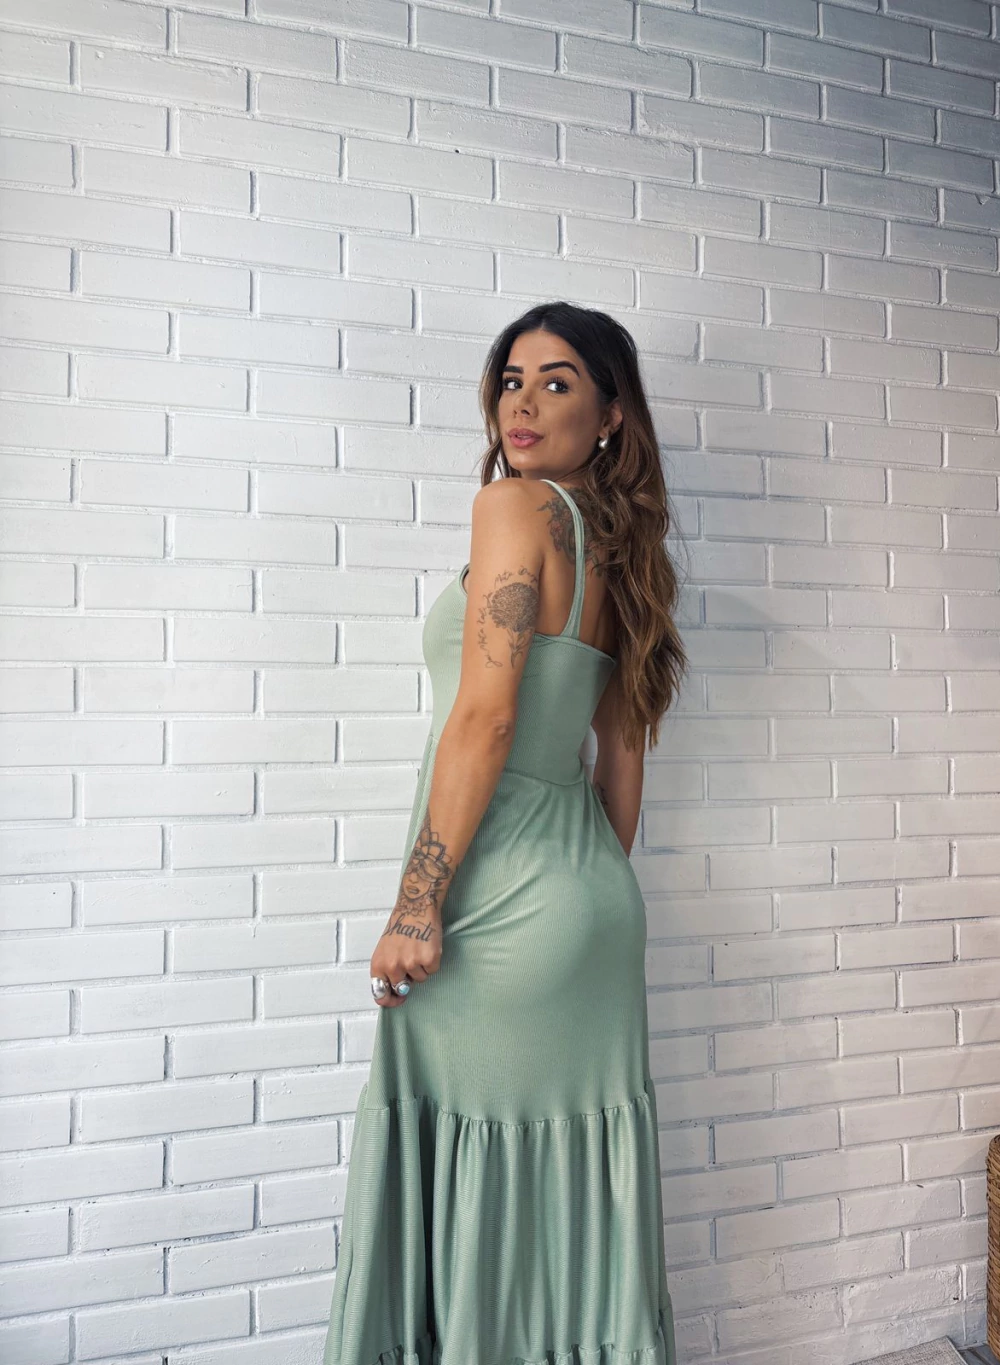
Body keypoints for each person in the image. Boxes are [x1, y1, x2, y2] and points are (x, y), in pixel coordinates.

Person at [323, 300, 689, 1365]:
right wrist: (576, 897)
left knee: (472, 1173)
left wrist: (417, 905)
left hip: (492, 907)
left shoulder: (512, 506)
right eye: (511, 379)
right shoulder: (626, 554)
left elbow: (484, 717)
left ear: (611, 414)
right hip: (588, 905)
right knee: (567, 1185)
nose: (523, 402)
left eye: (558, 381)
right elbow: (621, 762)